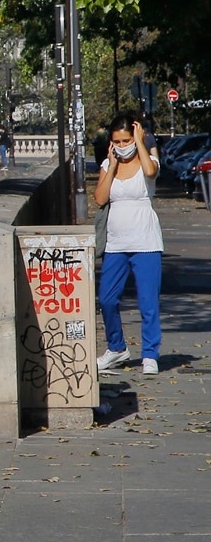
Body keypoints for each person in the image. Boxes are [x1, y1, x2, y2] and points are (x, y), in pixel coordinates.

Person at [94, 115, 163, 376]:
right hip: (116, 242)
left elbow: (150, 172)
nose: (122, 145)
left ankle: (150, 354)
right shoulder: (107, 164)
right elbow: (100, 197)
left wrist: (140, 142)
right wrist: (111, 166)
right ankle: (117, 347)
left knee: (148, 301)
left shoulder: (149, 160)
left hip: (146, 240)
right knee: (107, 298)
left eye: (126, 140)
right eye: (117, 141)